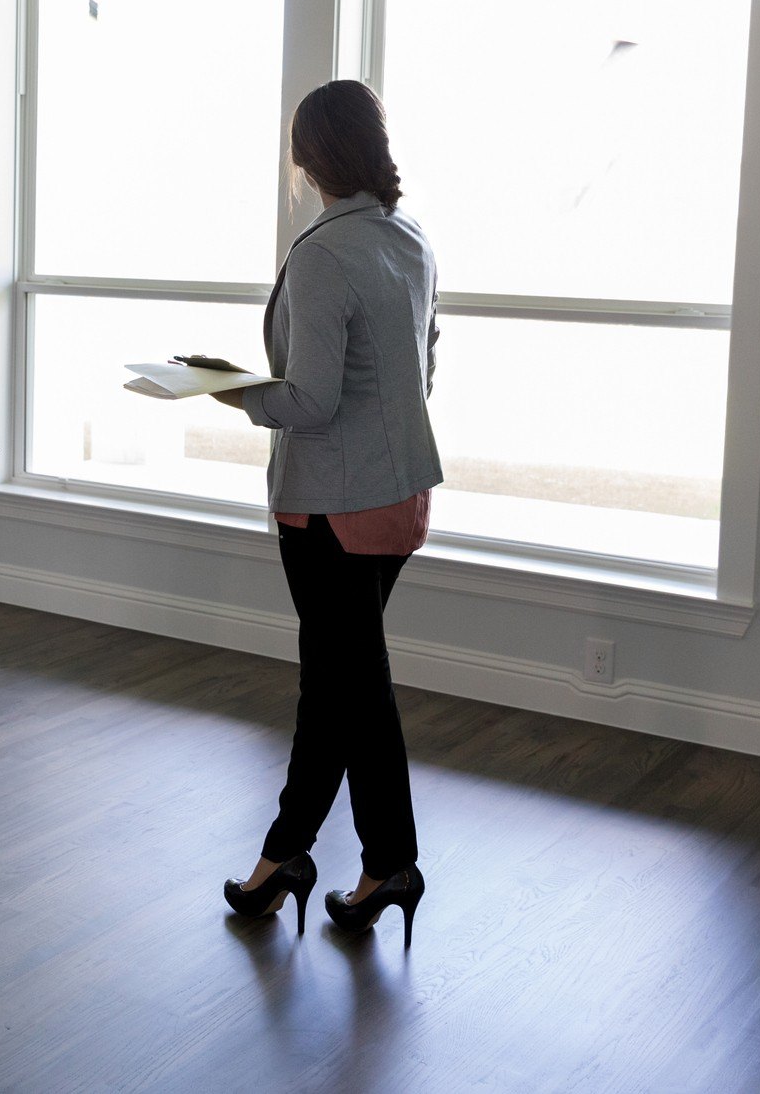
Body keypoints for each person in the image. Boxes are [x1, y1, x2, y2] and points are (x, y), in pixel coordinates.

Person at [211, 79, 441, 944]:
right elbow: (422, 369)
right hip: (399, 499)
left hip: (330, 511)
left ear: (308, 157)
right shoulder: (408, 241)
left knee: (348, 686)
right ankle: (295, 859)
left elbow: (306, 401)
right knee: (343, 684)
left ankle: (377, 861)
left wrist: (233, 392)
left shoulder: (320, 254)